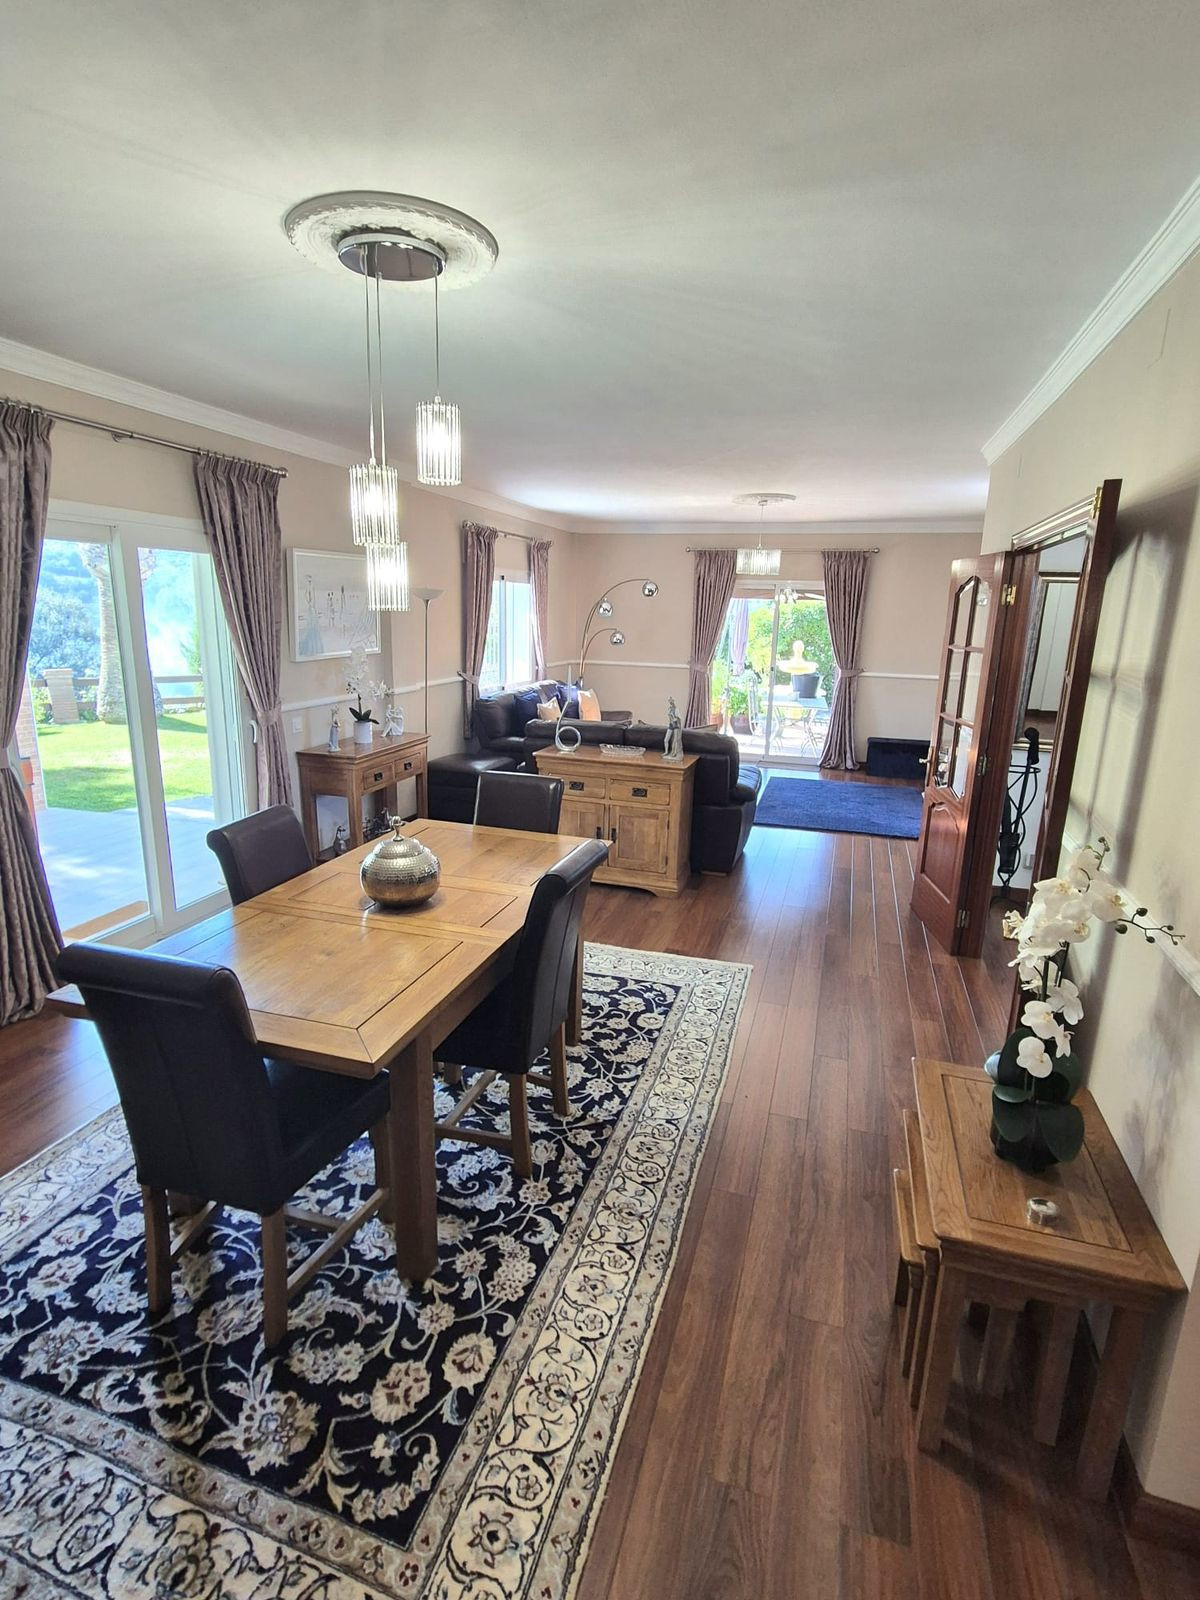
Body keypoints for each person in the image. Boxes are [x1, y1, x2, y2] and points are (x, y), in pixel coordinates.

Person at [664, 696, 684, 761]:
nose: (670, 702)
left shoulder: (676, 709)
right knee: (666, 739)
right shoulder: (669, 709)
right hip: (670, 725)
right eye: (669, 701)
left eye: (671, 701)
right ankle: (666, 751)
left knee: (675, 739)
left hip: (675, 725)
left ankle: (674, 752)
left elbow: (679, 718)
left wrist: (677, 723)